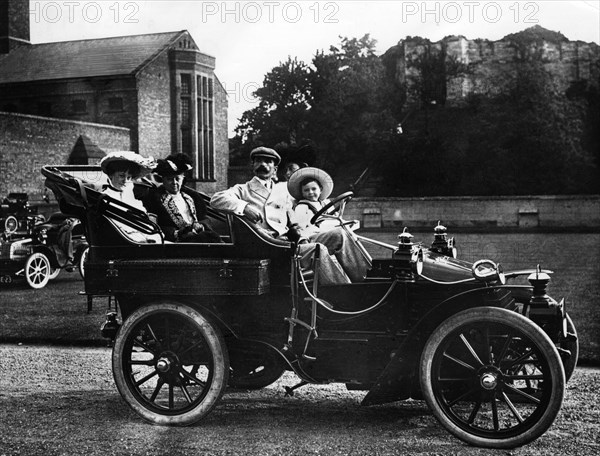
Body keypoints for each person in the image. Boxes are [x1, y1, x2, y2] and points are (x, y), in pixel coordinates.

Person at [211, 147, 353, 285]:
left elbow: (295, 218)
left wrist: (301, 236)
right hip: (266, 243)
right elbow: (216, 199)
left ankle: (362, 279)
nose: (263, 165)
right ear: (252, 165)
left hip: (291, 239)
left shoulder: (284, 190)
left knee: (339, 234)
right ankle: (342, 293)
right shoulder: (242, 189)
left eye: (268, 162)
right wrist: (244, 206)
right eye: (258, 161)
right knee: (318, 249)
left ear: (275, 169)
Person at [288, 167, 370, 282]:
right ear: (302, 193)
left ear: (320, 189)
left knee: (348, 235)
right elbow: (300, 227)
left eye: (313, 189)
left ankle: (363, 273)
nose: (311, 193)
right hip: (312, 237)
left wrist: (347, 223)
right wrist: (303, 238)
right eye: (306, 190)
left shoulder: (325, 203)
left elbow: (335, 218)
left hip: (327, 233)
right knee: (339, 234)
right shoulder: (302, 207)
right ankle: (360, 278)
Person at [144, 153, 221, 243]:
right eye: (169, 179)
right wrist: (180, 233)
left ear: (183, 179)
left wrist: (201, 225)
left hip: (199, 236)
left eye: (177, 179)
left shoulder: (191, 197)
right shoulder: (155, 198)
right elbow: (154, 225)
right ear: (163, 180)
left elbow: (204, 218)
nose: (174, 182)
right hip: (177, 242)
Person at [99, 151, 161, 243]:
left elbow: (146, 224)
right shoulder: (105, 198)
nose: (125, 181)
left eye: (129, 177)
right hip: (122, 243)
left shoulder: (131, 198)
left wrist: (152, 238)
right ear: (111, 175)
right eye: (121, 176)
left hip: (142, 241)